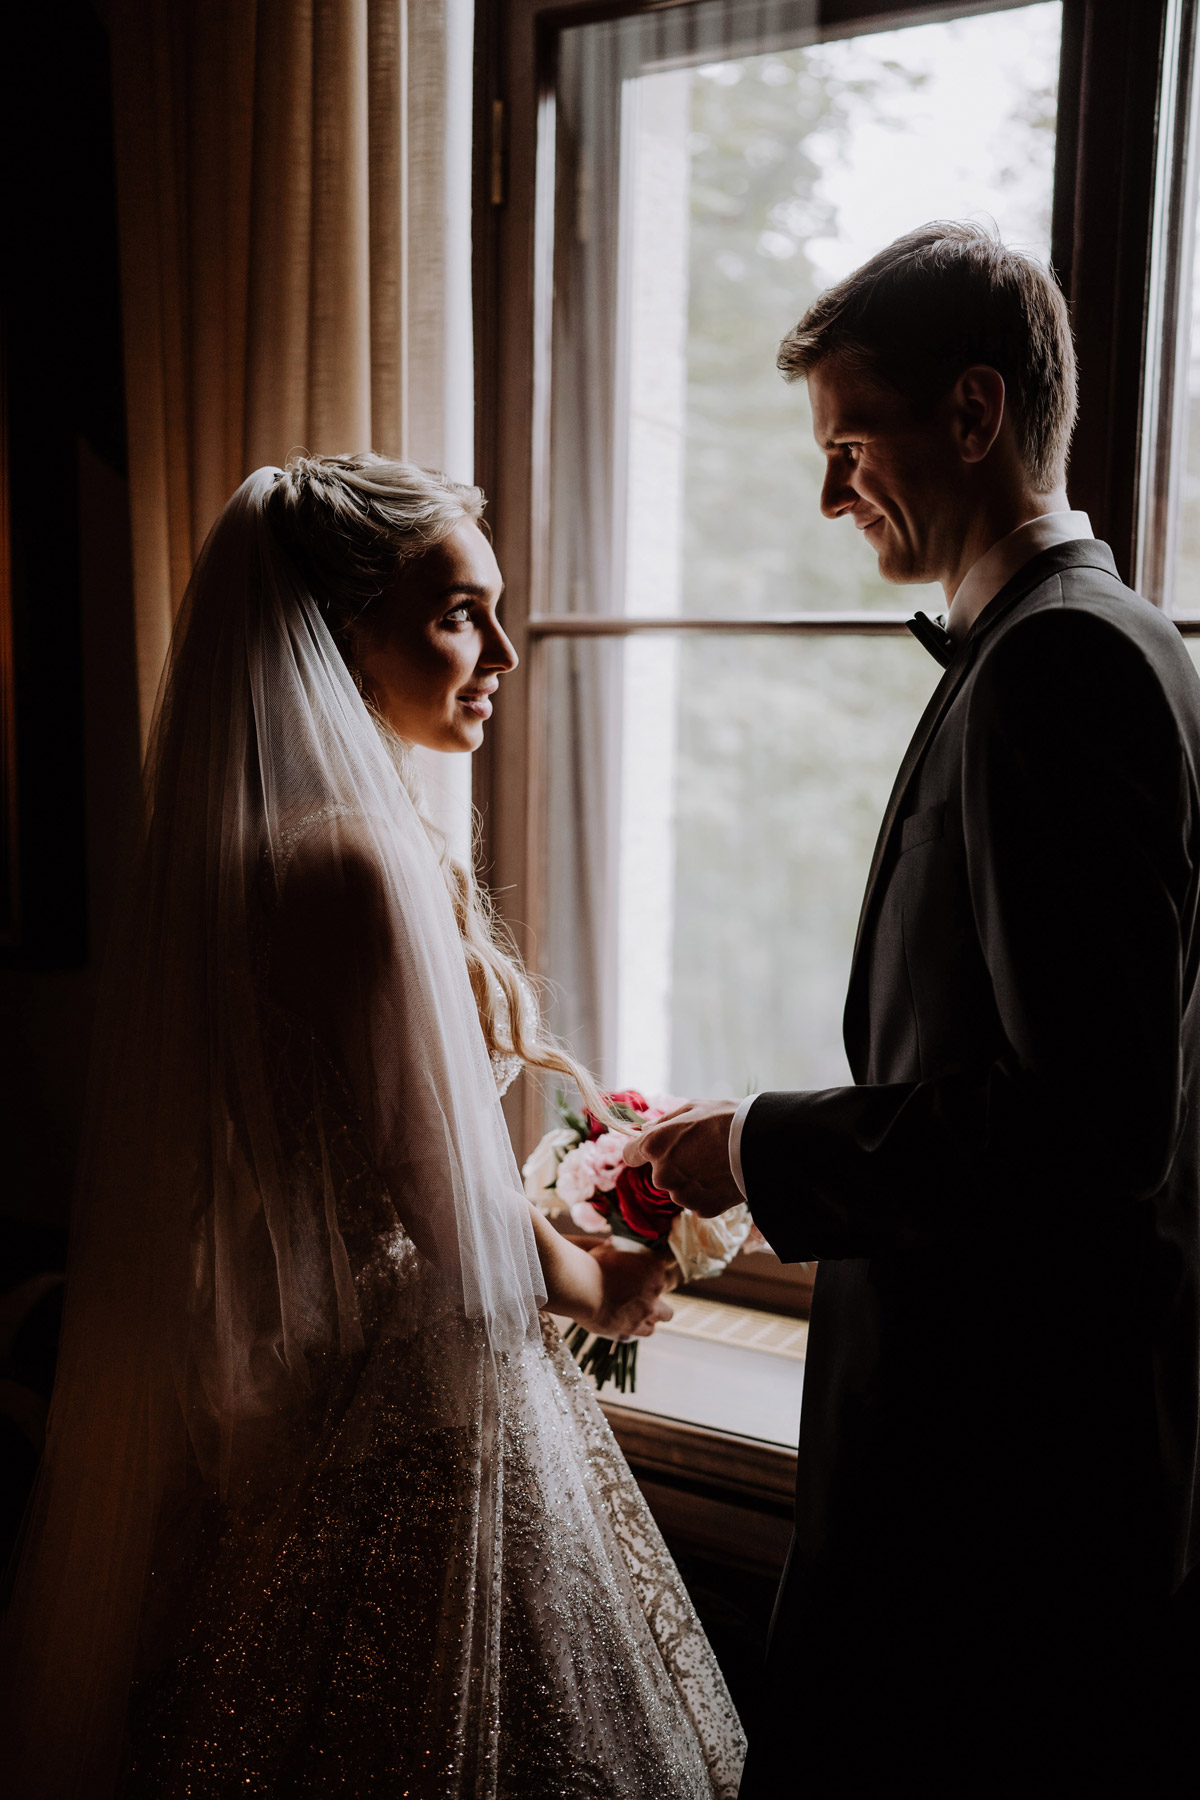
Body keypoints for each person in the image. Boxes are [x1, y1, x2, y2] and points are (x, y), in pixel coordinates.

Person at [1, 456, 745, 1799]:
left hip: (315, 1383)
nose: (503, 651)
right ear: (343, 631)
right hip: (421, 1400)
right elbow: (448, 1213)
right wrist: (608, 1283)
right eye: (460, 613)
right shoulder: (350, 860)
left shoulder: (254, 849)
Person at [624, 223, 1200, 1794]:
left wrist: (760, 1146)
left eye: (849, 444)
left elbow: (1087, 1127)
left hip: (999, 1475)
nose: (830, 497)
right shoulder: (1083, 644)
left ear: (972, 412)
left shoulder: (1058, 669)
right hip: (1016, 1450)